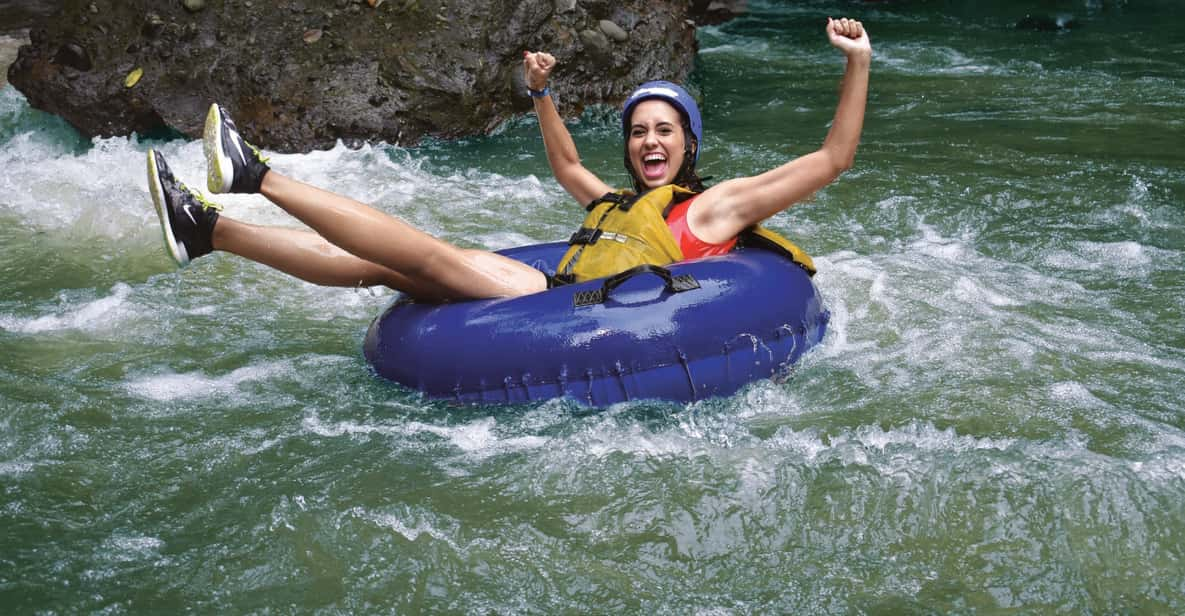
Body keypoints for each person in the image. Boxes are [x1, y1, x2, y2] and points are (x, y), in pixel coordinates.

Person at [147, 18, 869, 301]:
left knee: (428, 256)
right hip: (557, 288)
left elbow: (834, 157)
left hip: (572, 309)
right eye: (638, 131)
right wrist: (541, 93)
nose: (648, 142)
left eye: (664, 132)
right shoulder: (617, 207)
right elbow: (565, 169)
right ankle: (209, 231)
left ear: (688, 145)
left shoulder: (720, 205)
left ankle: (257, 175)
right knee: (384, 264)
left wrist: (856, 63)